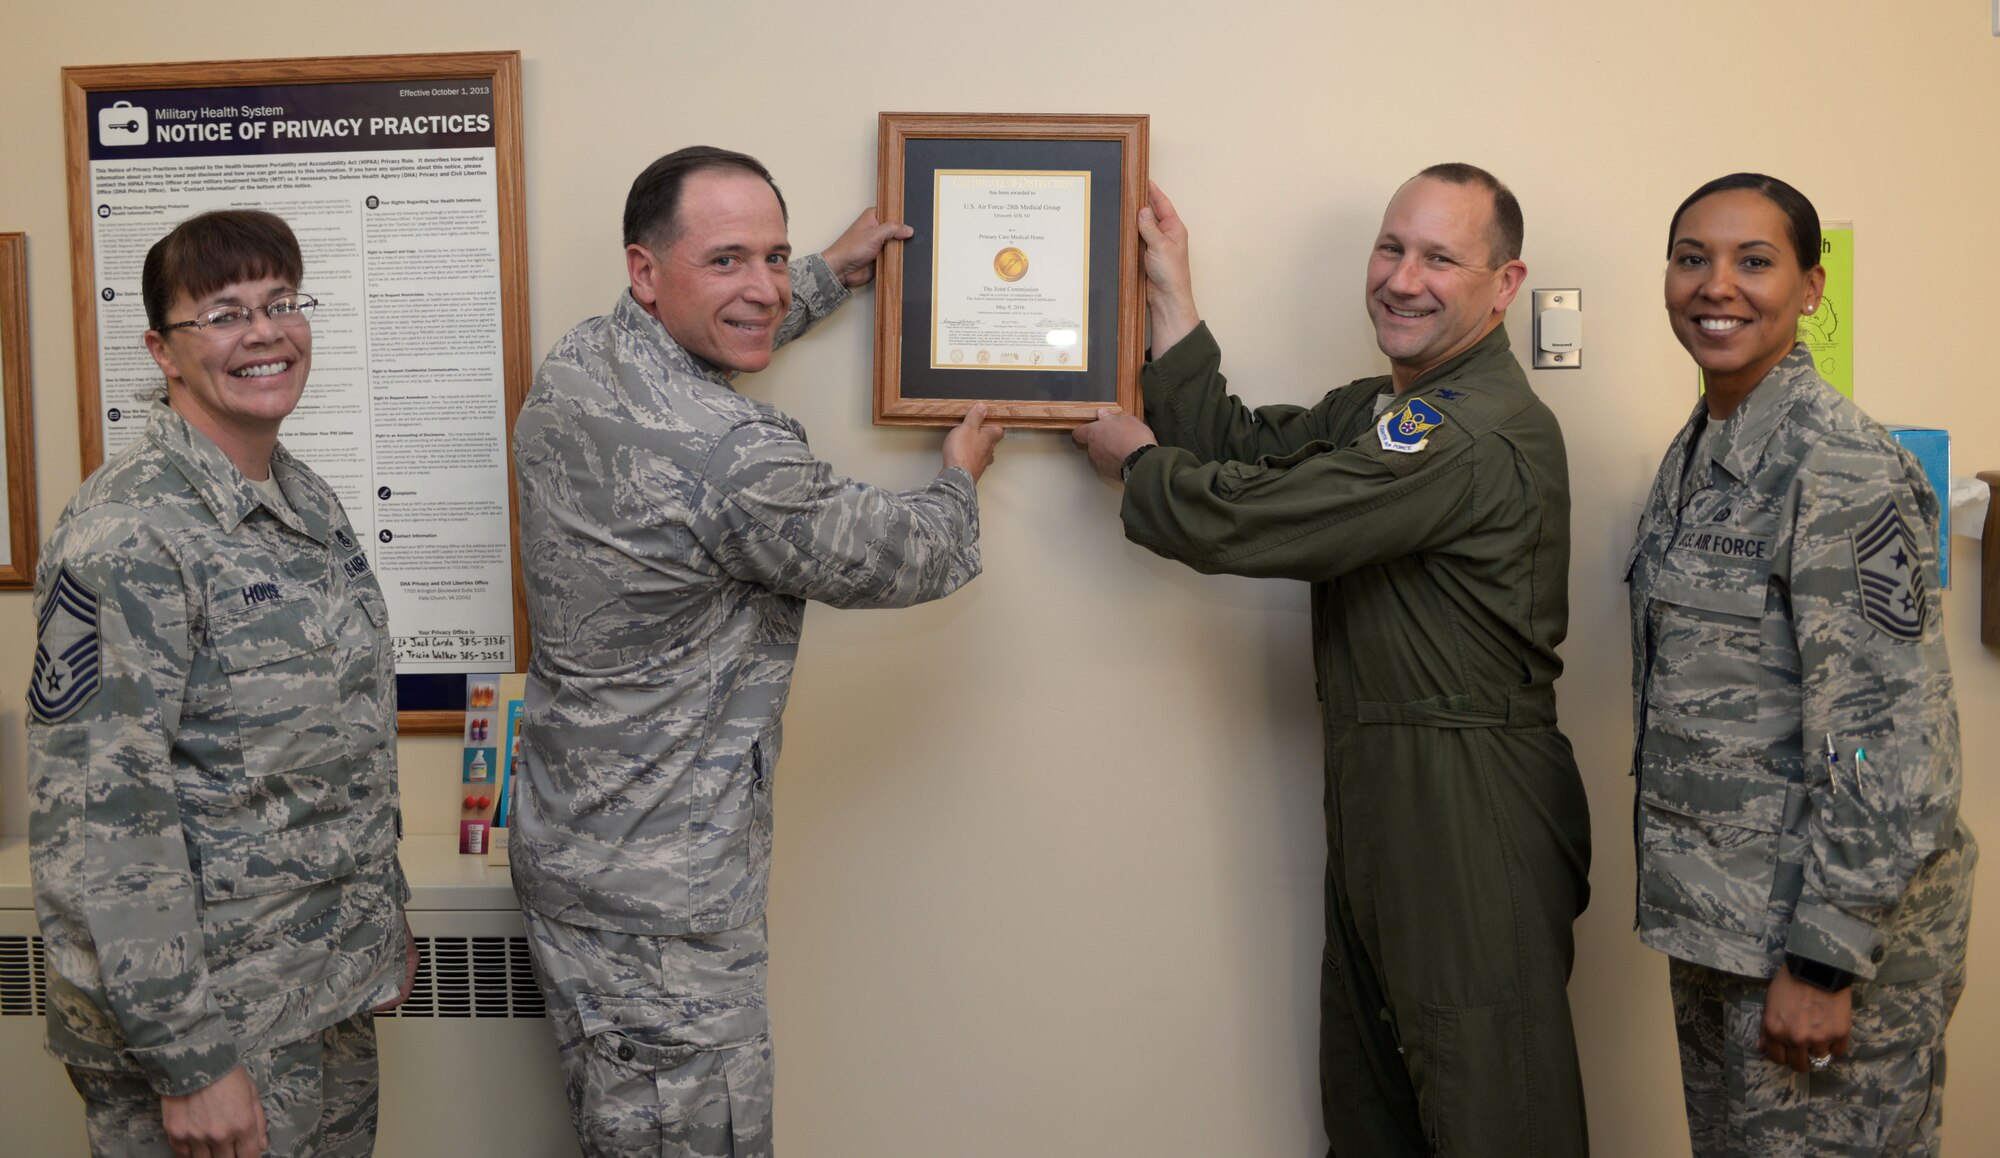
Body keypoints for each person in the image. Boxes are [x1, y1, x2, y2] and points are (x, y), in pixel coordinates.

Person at [1072, 167, 1591, 1156]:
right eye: (1390, 247)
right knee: (1374, 1099)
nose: (1401, 278)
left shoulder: (1466, 431)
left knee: (1489, 1108)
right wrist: (1169, 291)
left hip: (1463, 796)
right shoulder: (1384, 411)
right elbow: (1239, 452)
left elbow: (1255, 516)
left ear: (1504, 284)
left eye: (1439, 256)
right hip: (1383, 788)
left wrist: (1138, 466)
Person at [511, 146, 1003, 1156]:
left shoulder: (578, 365)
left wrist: (826, 273)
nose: (764, 288)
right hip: (664, 912)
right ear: (646, 273)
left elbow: (714, 334)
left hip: (580, 855)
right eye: (730, 259)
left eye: (774, 260)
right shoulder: (732, 458)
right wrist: (958, 475)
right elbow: (910, 556)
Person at [27, 209, 415, 1158]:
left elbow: (334, 748)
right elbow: (100, 820)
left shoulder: (300, 497)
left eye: (282, 302)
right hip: (211, 1026)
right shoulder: (129, 534)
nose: (264, 332)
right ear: (163, 349)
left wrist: (382, 920)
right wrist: (190, 1058)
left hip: (318, 989)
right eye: (225, 313)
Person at [1630, 173, 1976, 1156]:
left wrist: (1825, 959)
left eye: (1752, 261)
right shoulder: (1703, 447)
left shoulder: (1838, 466)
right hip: (1725, 929)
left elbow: (1887, 741)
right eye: (1691, 258)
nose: (1714, 286)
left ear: (1810, 288)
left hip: (1820, 945)